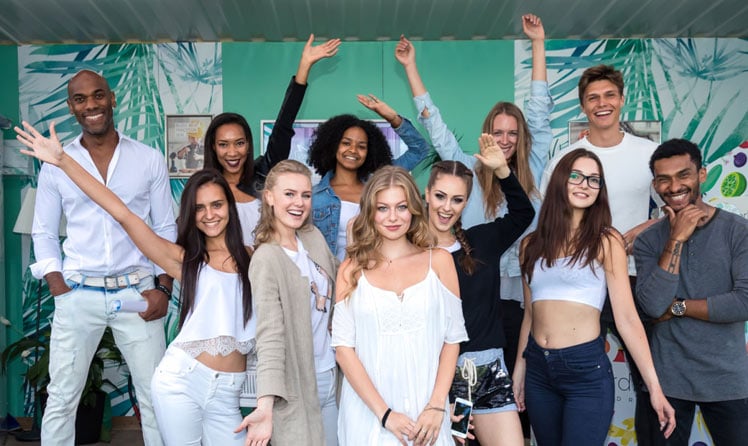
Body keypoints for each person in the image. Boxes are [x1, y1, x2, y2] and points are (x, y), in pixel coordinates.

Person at [17, 116, 257, 445]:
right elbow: (121, 211)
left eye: (217, 204)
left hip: (227, 395)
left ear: (230, 207)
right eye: (199, 208)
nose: (210, 214)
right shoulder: (185, 261)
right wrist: (63, 161)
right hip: (182, 382)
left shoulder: (254, 258)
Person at [397, 17, 552, 437]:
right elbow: (437, 128)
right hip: (467, 304)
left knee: (513, 398)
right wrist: (411, 69)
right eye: (497, 132)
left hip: (515, 300)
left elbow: (539, 114)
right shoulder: (465, 169)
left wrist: (538, 44)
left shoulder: (532, 166)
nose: (504, 140)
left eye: (512, 133)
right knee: (460, 427)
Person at [19, 70, 176, 446]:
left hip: (137, 292)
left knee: (155, 397)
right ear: (71, 107)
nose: (91, 105)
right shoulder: (57, 163)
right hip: (78, 292)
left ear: (112, 99)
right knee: (61, 398)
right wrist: (58, 287)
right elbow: (44, 232)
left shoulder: (148, 159)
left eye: (98, 95)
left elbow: (165, 227)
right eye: (80, 99)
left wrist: (163, 288)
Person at [513, 148, 676, 446]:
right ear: (560, 180)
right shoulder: (530, 246)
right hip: (538, 370)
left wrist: (654, 387)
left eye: (593, 179)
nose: (584, 185)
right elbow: (530, 316)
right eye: (576, 176)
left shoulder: (605, 241)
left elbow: (627, 319)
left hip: (584, 372)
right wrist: (519, 371)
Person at [539, 63, 661, 442]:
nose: (602, 103)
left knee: (647, 377)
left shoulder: (649, 153)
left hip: (633, 276)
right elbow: (549, 214)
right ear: (583, 105)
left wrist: (636, 232)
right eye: (593, 98)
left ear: (622, 100)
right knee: (569, 369)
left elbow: (674, 210)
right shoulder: (567, 159)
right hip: (578, 283)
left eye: (609, 95)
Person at [332, 165, 468, 445]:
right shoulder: (350, 271)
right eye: (383, 208)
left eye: (401, 207)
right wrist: (386, 415)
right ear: (370, 212)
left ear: (414, 209)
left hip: (427, 414)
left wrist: (436, 406)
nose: (393, 217)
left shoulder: (439, 262)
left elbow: (452, 340)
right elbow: (344, 350)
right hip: (369, 417)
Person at [634, 139, 748, 446]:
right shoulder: (648, 241)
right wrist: (677, 239)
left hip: (728, 381)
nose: (674, 187)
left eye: (683, 175)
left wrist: (678, 307)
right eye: (664, 179)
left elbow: (743, 302)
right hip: (666, 382)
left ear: (702, 175)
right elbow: (653, 306)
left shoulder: (738, 231)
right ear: (655, 185)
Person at [425, 134, 534, 445]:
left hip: (487, 372)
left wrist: (502, 171)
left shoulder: (482, 242)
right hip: (436, 380)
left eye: (457, 200)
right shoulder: (410, 254)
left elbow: (523, 214)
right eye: (440, 196)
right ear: (427, 194)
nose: (447, 207)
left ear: (466, 202)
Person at [237, 160, 338, 446]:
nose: (299, 203)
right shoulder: (266, 259)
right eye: (289, 194)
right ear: (269, 197)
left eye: (305, 195)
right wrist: (265, 405)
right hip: (296, 388)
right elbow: (270, 335)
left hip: (332, 376)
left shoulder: (312, 236)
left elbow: (342, 279)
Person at [204, 34, 341, 246]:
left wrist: (304, 66)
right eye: (223, 144)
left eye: (239, 143)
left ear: (248, 145)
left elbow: (283, 126)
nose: (232, 152)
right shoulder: (204, 187)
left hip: (265, 265)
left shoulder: (263, 174)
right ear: (213, 147)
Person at [308, 95, 430, 260]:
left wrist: (392, 118)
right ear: (333, 145)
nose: (353, 150)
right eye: (346, 143)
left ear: (370, 151)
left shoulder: (379, 184)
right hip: (331, 274)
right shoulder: (314, 196)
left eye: (361, 146)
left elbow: (420, 149)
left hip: (375, 271)